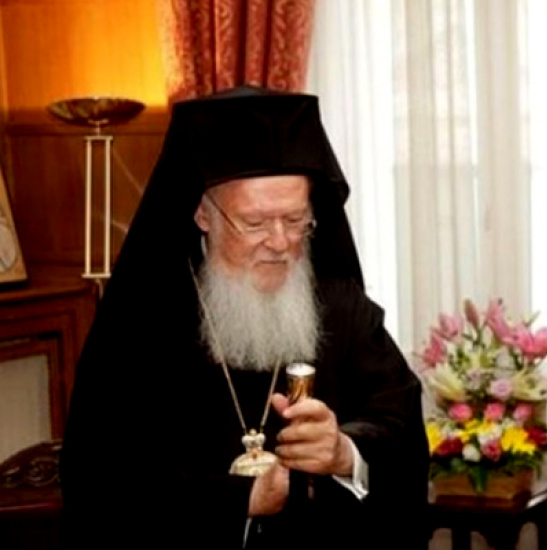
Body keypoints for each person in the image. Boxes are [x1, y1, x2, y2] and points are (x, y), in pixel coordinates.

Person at [60, 87, 429, 549]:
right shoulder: (144, 320)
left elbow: (399, 421)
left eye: (296, 220)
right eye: (255, 223)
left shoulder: (341, 304)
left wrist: (344, 451)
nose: (280, 242)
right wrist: (239, 500)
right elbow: (100, 476)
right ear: (203, 214)